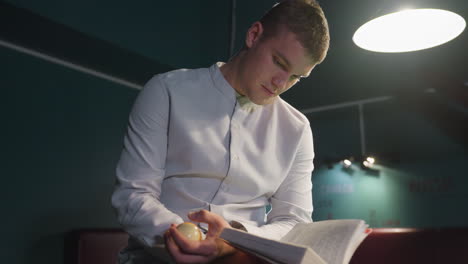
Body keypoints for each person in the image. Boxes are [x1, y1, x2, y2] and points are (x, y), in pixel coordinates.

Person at [111, 0, 330, 263]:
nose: (281, 83)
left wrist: (232, 242)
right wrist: (192, 240)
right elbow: (134, 195)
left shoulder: (297, 129)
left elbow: (294, 222)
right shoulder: (166, 91)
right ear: (254, 35)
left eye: (296, 77)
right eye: (279, 62)